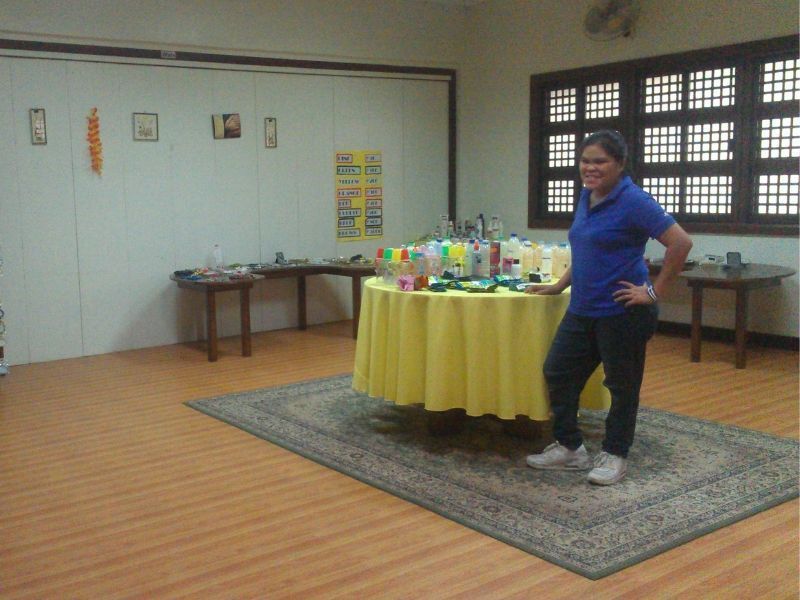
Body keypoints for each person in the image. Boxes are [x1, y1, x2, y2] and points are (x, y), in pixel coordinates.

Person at [525, 130, 692, 485]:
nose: (590, 168)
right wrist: (559, 285)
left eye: (599, 161)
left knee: (622, 385)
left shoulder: (634, 200)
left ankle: (615, 454)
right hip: (582, 308)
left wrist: (653, 291)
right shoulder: (586, 196)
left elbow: (680, 242)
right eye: (585, 161)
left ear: (619, 164)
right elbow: (586, 249)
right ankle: (570, 447)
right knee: (558, 371)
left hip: (622, 312)